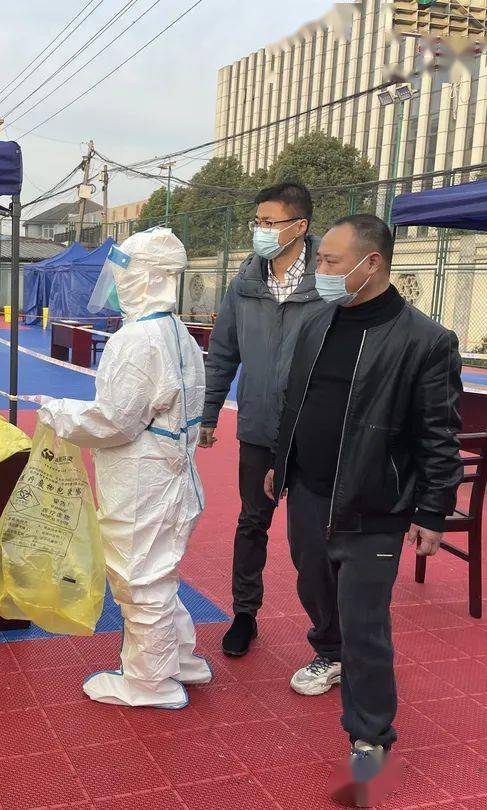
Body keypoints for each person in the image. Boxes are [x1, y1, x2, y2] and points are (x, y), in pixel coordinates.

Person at [267, 214, 462, 798]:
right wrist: (283, 462)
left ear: (370, 263)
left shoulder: (425, 341)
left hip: (373, 504)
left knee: (366, 625)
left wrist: (432, 510)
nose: (318, 271)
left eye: (328, 261)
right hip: (308, 492)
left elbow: (438, 433)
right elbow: (295, 400)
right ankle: (328, 652)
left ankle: (370, 734)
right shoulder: (317, 321)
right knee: (313, 588)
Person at [33, 228, 210, 709]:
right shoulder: (179, 334)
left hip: (143, 482)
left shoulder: (136, 340)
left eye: (122, 272)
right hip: (173, 478)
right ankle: (181, 660)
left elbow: (115, 420)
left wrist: (56, 411)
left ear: (147, 278)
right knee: (159, 575)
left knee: (139, 579)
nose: (114, 283)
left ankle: (151, 682)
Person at [197, 182, 328, 658]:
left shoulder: (327, 283)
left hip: (313, 433)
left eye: (270, 222)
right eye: (258, 222)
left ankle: (327, 633)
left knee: (311, 535)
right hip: (257, 427)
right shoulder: (245, 283)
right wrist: (209, 412)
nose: (261, 231)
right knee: (253, 523)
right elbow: (223, 351)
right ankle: (244, 614)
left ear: (300, 227)